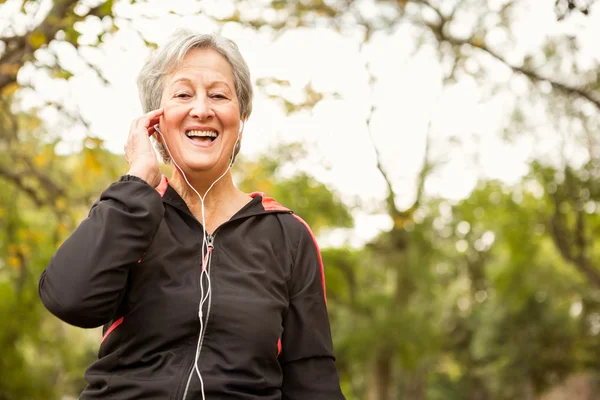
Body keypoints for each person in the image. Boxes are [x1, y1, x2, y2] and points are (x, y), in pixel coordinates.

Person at [38, 28, 345, 399]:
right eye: (183, 94)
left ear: (241, 116)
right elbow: (69, 300)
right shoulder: (129, 212)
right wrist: (138, 180)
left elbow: (313, 380)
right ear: (156, 121)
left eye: (219, 95)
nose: (202, 109)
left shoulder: (288, 236)